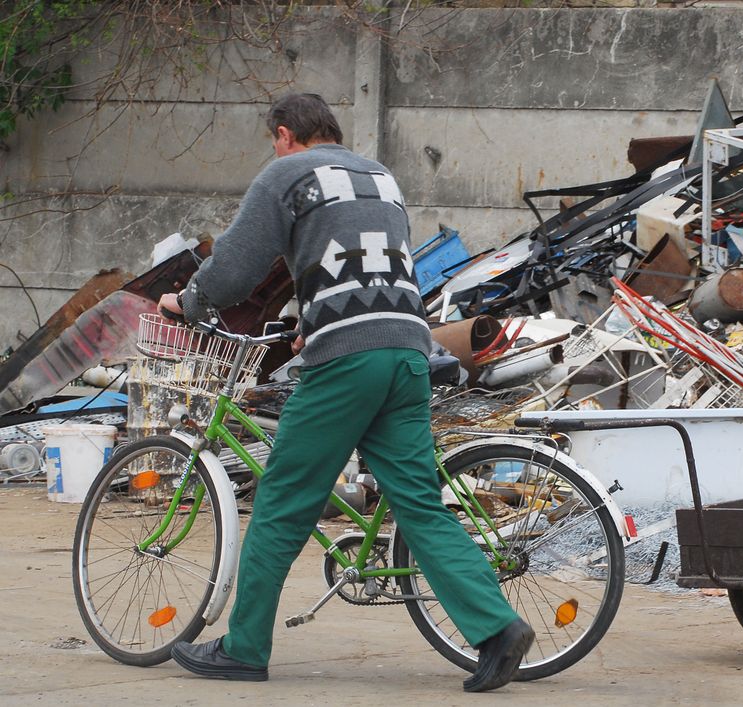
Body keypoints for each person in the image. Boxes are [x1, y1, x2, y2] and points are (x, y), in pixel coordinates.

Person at [160, 93, 532, 692]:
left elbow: (232, 269)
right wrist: (313, 315)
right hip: (409, 348)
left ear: (284, 135)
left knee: (282, 501)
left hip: (348, 363)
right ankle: (497, 628)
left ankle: (243, 647)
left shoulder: (286, 172)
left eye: (272, 141)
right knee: (419, 501)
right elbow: (366, 262)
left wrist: (190, 301)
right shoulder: (379, 176)